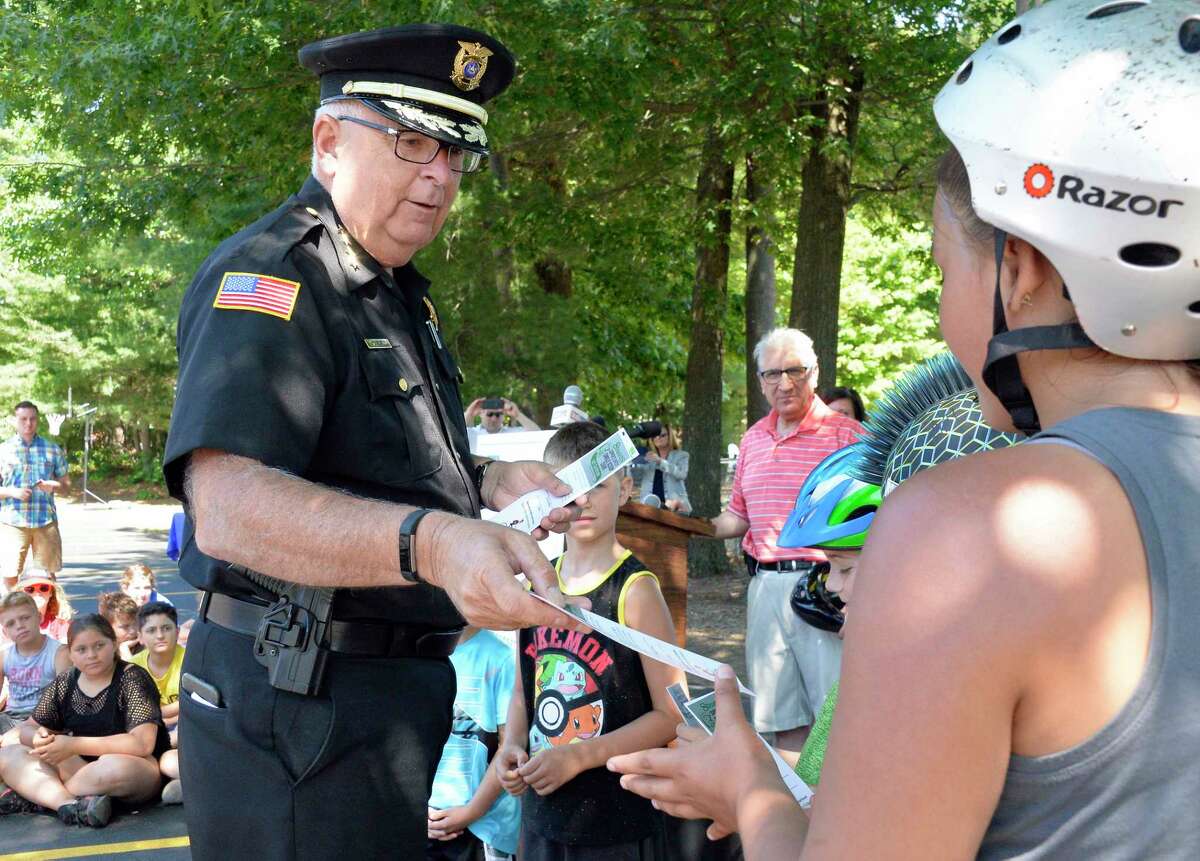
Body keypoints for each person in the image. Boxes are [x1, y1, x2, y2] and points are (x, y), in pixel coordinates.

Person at [610, 3, 1200, 856]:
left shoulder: (977, 531)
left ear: (1023, 269)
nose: (940, 302)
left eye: (941, 266)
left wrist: (751, 788)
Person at [162, 24, 588, 860]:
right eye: (411, 140)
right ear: (329, 142)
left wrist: (486, 481)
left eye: (456, 152)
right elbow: (227, 505)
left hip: (376, 709)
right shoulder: (274, 277)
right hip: (297, 711)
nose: (440, 174)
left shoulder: (394, 293)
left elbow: (369, 456)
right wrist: (434, 543)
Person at [495, 421, 683, 861]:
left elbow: (672, 714)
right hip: (544, 818)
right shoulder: (536, 585)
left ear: (625, 489)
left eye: (596, 485)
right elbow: (525, 689)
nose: (582, 501)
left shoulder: (635, 590)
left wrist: (579, 757)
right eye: (567, 488)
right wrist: (511, 745)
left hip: (616, 823)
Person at [708, 327, 863, 755]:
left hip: (826, 587)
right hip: (764, 590)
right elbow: (738, 517)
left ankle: (836, 798)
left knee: (836, 717)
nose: (784, 383)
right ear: (760, 381)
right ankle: (792, 797)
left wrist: (860, 600)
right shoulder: (753, 439)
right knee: (779, 721)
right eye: (772, 374)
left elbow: (877, 522)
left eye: (795, 370)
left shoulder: (847, 436)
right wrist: (690, 527)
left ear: (814, 373)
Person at [0, 614, 170, 827]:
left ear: (113, 643)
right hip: (76, 766)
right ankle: (69, 805)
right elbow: (28, 728)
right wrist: (38, 738)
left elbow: (142, 744)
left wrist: (73, 745)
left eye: (99, 645)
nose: (91, 655)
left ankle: (40, 797)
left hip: (134, 768)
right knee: (9, 755)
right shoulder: (66, 682)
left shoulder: (132, 677)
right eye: (81, 649)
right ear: (70, 654)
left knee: (114, 766)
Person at [426, 625, 521, 861]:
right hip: (424, 819)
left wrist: (472, 811)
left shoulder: (502, 657)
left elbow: (510, 747)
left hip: (484, 827)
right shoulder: (418, 654)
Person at [0, 402, 69, 593]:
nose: (28, 423)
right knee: (10, 573)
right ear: (15, 420)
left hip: (45, 520)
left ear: (37, 420)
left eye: (32, 419)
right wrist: (12, 492)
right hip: (12, 521)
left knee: (49, 575)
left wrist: (54, 486)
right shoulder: (3, 450)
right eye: (23, 419)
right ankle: (14, 609)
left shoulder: (52, 449)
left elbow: (66, 486)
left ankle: (50, 611)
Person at [0, 592, 70, 741]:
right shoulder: (4, 657)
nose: (19, 626)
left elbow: (63, 703)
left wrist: (18, 732)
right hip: (11, 717)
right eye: (11, 624)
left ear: (39, 617)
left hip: (47, 719)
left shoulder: (60, 653)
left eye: (25, 618)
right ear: (5, 631)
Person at [635, 421, 691, 514]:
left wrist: (660, 461)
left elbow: (682, 474)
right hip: (649, 506)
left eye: (662, 435)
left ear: (670, 436)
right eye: (655, 436)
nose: (658, 438)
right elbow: (636, 478)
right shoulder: (648, 455)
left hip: (674, 507)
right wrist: (638, 462)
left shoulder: (682, 455)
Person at [17, 569, 73, 645]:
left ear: (51, 592)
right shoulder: (10, 622)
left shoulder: (61, 624)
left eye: (44, 588)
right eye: (30, 589)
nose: (37, 593)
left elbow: (66, 649)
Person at [97, 592, 141, 660]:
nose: (133, 631)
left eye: (135, 624)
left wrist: (126, 653)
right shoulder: (98, 652)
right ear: (107, 627)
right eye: (125, 627)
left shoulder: (146, 648)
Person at [466, 397, 540, 433]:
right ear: (481, 414)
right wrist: (469, 413)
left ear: (504, 415)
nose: (494, 418)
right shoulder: (472, 432)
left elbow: (537, 434)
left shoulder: (511, 433)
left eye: (498, 414)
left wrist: (518, 415)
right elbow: (458, 434)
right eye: (489, 414)